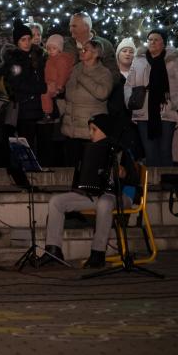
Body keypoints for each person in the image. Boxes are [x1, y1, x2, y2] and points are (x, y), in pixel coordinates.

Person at [38, 114, 138, 269]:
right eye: (89, 129)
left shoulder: (121, 150)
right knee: (56, 201)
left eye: (94, 129)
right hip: (96, 196)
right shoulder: (89, 150)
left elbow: (134, 179)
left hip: (121, 196)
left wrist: (124, 173)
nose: (90, 133)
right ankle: (53, 250)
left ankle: (98, 253)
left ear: (105, 130)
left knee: (105, 202)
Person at [127, 29, 178, 166]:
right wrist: (130, 102)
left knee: (165, 151)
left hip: (166, 112)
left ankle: (167, 179)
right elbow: (129, 84)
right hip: (143, 112)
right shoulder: (139, 60)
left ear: (163, 43)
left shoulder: (174, 60)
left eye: (156, 39)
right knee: (150, 153)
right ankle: (152, 180)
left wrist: (174, 104)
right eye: (150, 39)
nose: (152, 42)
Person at [61, 39, 113, 163]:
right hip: (71, 128)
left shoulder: (104, 73)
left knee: (88, 166)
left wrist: (83, 77)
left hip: (89, 131)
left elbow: (102, 93)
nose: (82, 51)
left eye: (86, 50)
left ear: (96, 54)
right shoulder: (75, 69)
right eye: (81, 49)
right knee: (71, 165)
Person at [3, 19, 46, 163]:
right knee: (25, 141)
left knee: (37, 143)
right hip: (24, 107)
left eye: (29, 39)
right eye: (23, 40)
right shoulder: (15, 60)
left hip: (37, 106)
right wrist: (41, 88)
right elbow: (17, 83)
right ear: (17, 42)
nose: (27, 42)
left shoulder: (37, 56)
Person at [42, 34, 74, 120]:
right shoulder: (50, 59)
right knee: (44, 94)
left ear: (59, 49)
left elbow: (63, 74)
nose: (51, 51)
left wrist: (59, 86)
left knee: (45, 93)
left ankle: (47, 113)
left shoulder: (61, 60)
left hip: (55, 84)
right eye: (49, 49)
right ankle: (47, 112)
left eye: (54, 48)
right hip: (49, 82)